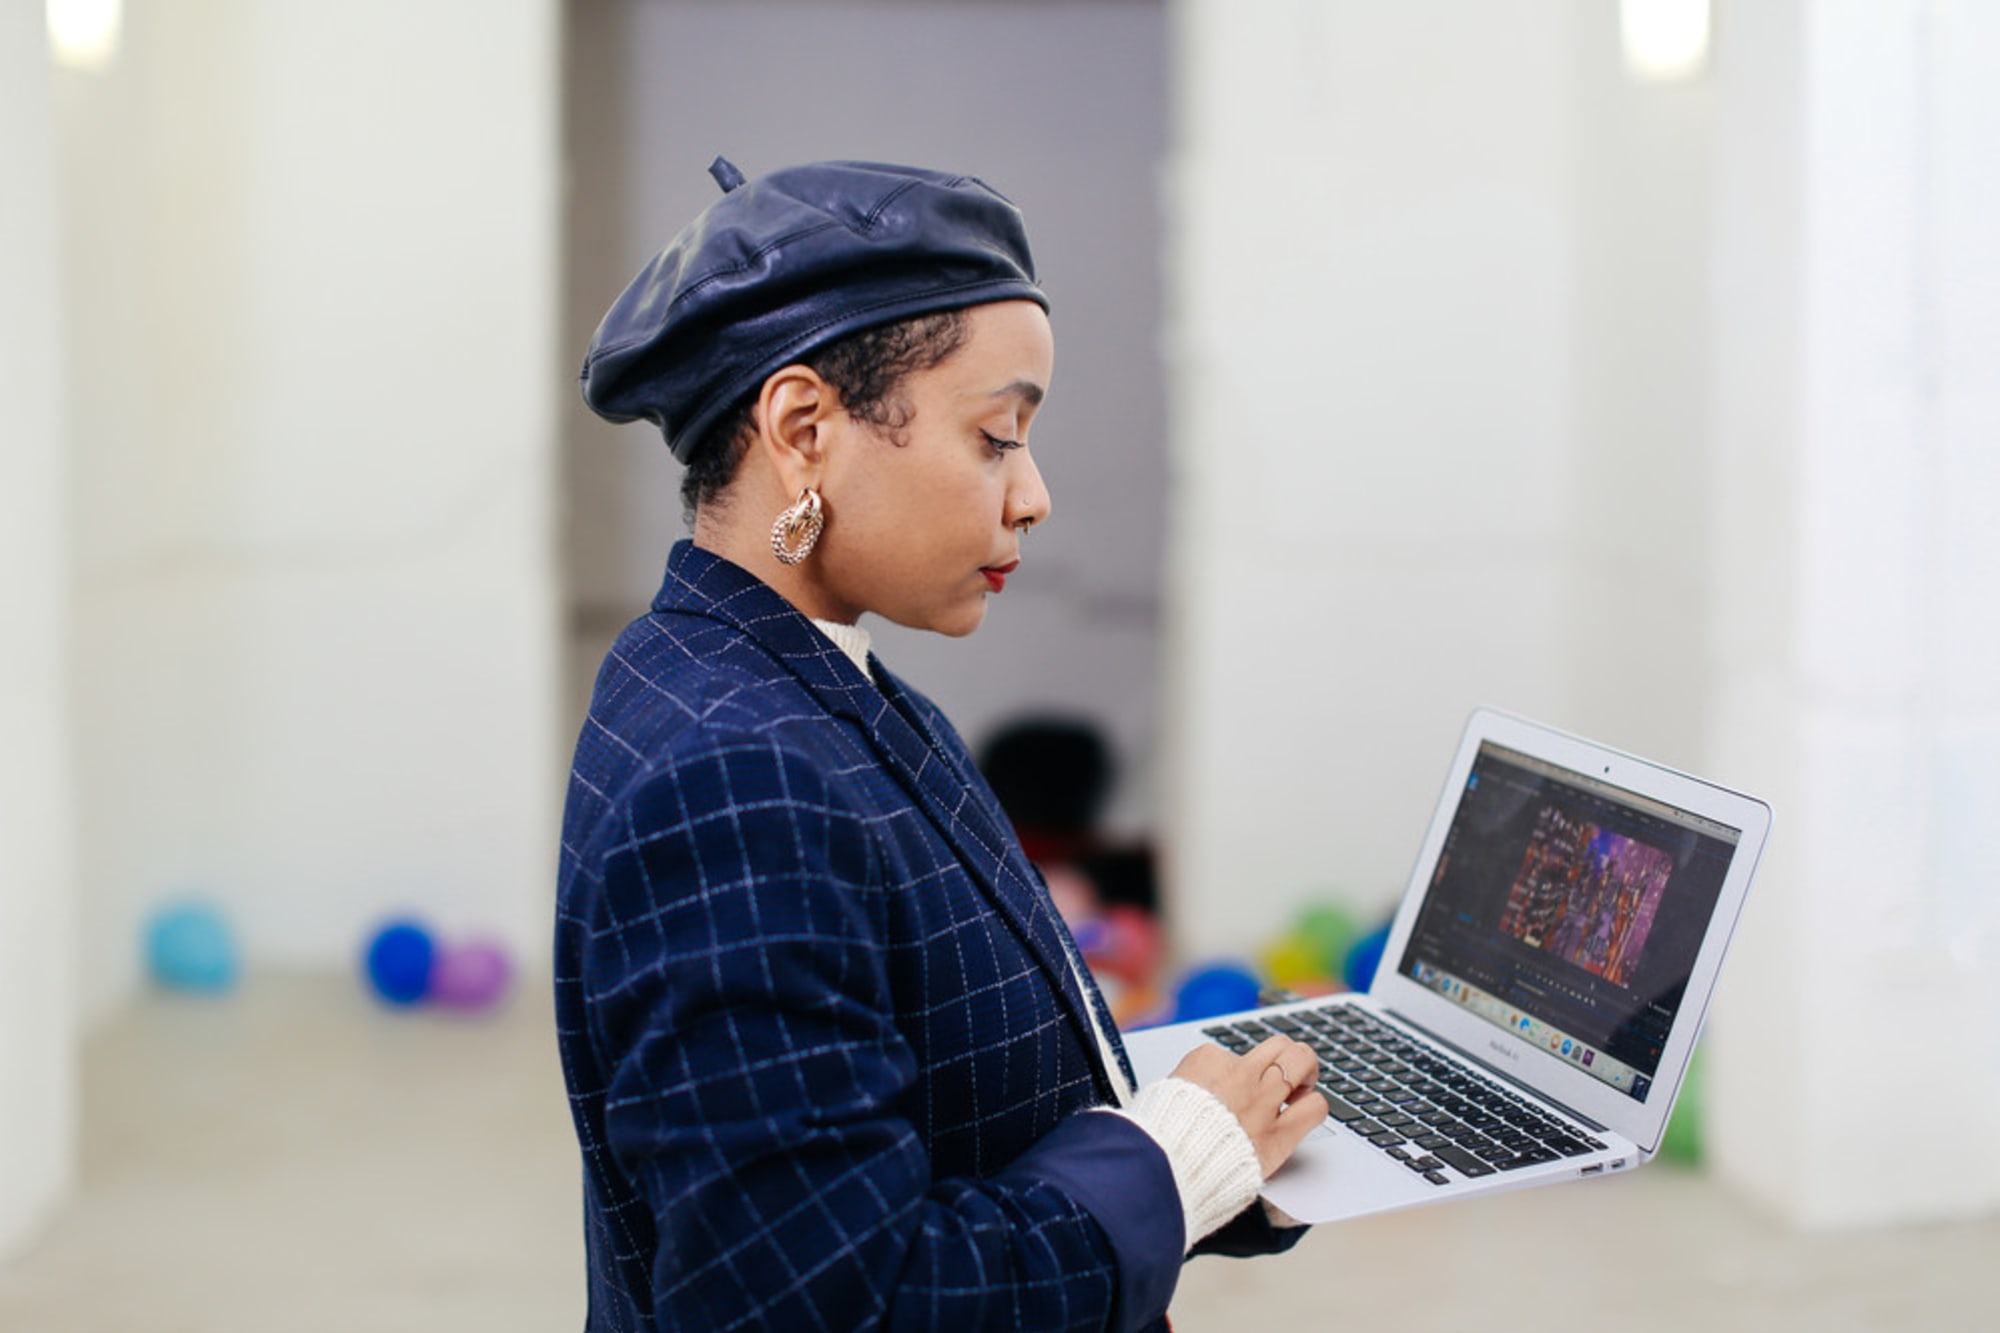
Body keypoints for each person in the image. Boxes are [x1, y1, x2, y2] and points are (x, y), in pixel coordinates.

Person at [554, 157, 1327, 1333]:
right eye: (996, 437)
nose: (1033, 496)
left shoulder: (789, 671)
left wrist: (1218, 1138)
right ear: (803, 428)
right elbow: (822, 1307)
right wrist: (1169, 1160)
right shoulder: (735, 773)